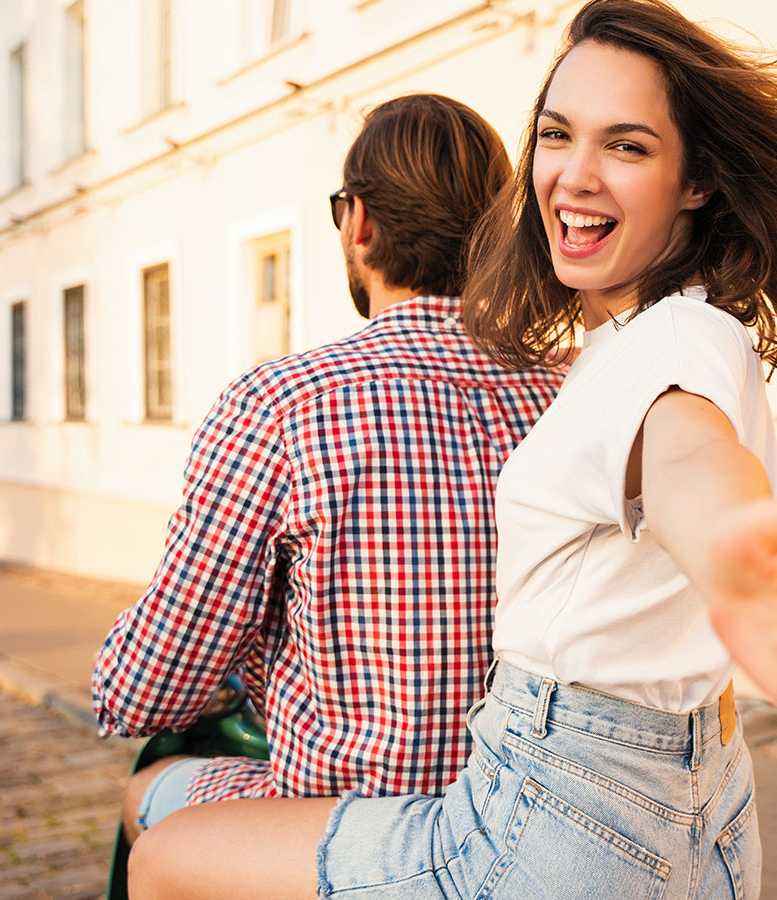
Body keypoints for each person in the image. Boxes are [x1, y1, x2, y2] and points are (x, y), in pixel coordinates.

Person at [127, 1, 777, 897]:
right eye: (557, 135)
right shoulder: (605, 353)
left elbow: (686, 454)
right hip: (691, 805)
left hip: (546, 823)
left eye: (626, 146)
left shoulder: (674, 344)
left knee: (161, 853)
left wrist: (744, 546)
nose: (576, 176)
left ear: (696, 180)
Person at [92, 93, 565, 844]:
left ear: (359, 222)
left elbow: (142, 692)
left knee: (150, 787)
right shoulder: (570, 389)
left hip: (351, 828)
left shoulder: (282, 403)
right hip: (531, 825)